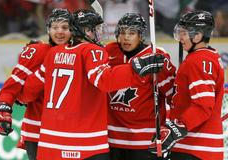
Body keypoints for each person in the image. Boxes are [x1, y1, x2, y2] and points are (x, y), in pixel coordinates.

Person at [15, 9, 165, 160]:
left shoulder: (53, 53)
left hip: (50, 141)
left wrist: (18, 96)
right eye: (97, 29)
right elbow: (104, 80)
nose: (100, 33)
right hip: (84, 142)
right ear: (86, 31)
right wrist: (136, 68)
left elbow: (27, 93)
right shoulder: (93, 51)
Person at [0, 8, 73, 160]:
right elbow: (12, 85)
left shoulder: (79, 53)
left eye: (65, 27)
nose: (59, 32)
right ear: (48, 29)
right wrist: (3, 109)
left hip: (67, 130)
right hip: (38, 131)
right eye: (55, 27)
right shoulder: (38, 51)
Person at [148, 10, 225, 160]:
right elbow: (180, 98)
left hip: (195, 147)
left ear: (198, 35)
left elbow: (203, 106)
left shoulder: (198, 61)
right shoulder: (207, 57)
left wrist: (176, 128)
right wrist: (164, 73)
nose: (180, 38)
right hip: (199, 148)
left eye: (184, 33)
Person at [105, 13, 176, 160]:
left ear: (141, 36)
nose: (126, 37)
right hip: (112, 139)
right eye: (122, 32)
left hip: (145, 141)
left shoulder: (156, 55)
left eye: (132, 33)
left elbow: (172, 94)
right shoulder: (109, 52)